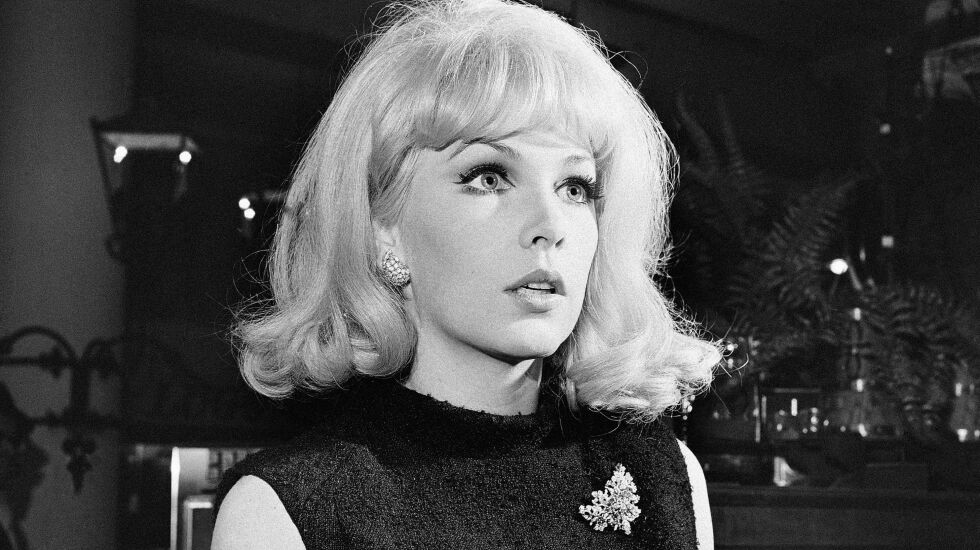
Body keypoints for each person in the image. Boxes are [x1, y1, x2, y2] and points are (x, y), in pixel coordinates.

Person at [211, 0, 721, 548]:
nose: (550, 225)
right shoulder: (287, 513)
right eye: (489, 177)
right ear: (383, 227)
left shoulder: (664, 477)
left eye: (575, 188)